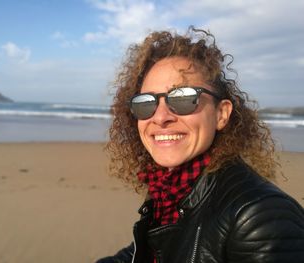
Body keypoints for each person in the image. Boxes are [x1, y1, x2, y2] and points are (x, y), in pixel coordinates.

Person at [96, 27, 304, 263]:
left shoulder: (260, 217)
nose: (160, 117)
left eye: (183, 98)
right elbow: (145, 251)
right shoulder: (171, 191)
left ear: (221, 114)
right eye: (146, 103)